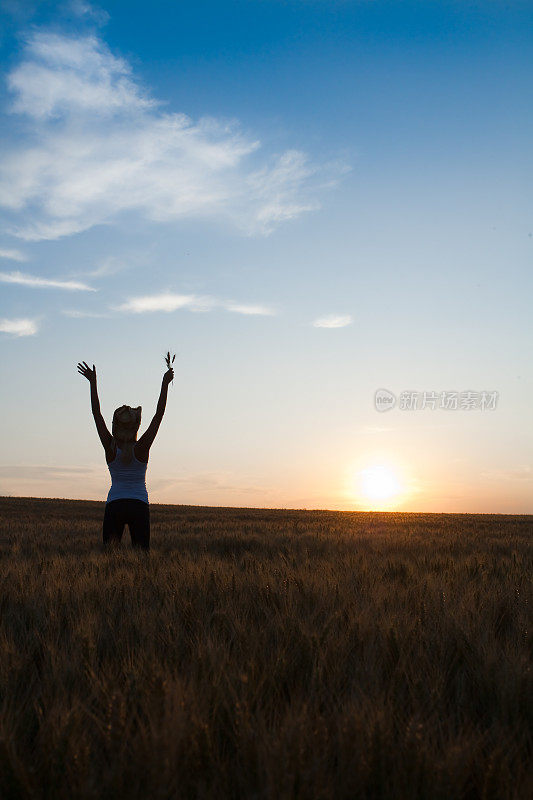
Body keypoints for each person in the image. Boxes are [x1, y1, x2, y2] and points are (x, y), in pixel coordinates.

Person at [77, 361, 174, 551]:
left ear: (115, 425)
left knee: (110, 558)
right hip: (139, 504)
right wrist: (164, 384)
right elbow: (158, 415)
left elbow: (96, 414)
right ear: (136, 425)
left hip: (115, 504)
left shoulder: (110, 447)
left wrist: (93, 383)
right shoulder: (142, 448)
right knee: (141, 558)